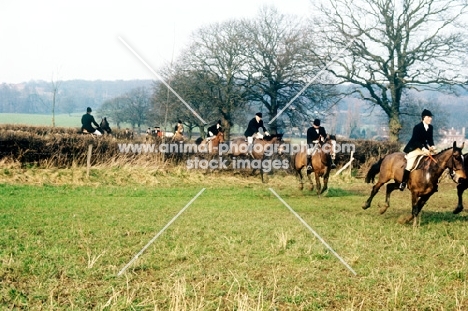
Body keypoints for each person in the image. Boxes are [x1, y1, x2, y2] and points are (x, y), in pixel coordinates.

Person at [400, 109, 436, 191]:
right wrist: (424, 149)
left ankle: (431, 182)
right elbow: (415, 141)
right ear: (424, 117)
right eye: (429, 117)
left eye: (431, 117)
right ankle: (403, 182)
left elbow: (430, 139)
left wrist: (432, 146)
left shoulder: (430, 127)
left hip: (424, 149)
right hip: (414, 148)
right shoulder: (417, 127)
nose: (431, 118)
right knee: (409, 165)